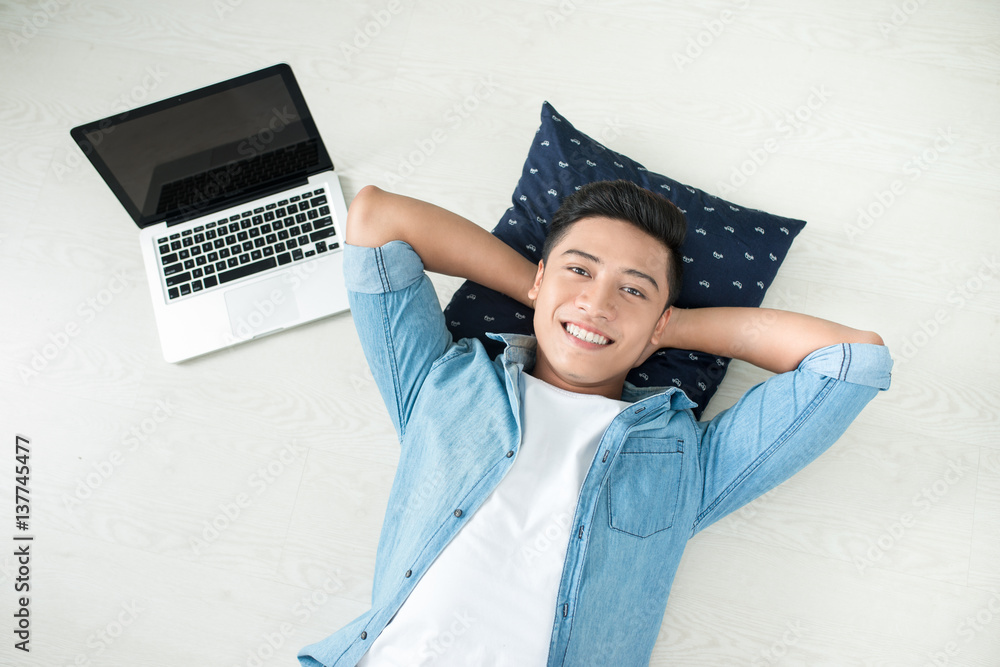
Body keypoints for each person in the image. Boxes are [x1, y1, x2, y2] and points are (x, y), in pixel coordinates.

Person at [298, 180, 892, 667]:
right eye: (580, 271)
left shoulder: (684, 460)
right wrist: (544, 296)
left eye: (633, 290)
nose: (599, 303)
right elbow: (377, 219)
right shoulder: (444, 381)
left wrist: (667, 328)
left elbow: (852, 361)